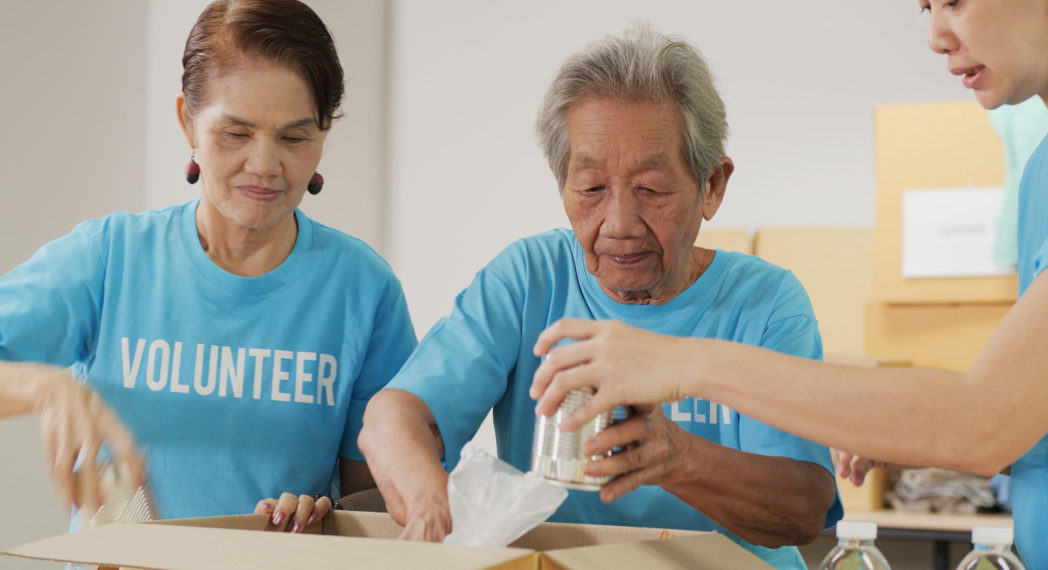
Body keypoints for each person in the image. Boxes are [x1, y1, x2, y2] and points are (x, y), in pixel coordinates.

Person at [530, 1, 1048, 568]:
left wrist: (683, 362)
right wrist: (903, 423)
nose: (935, 36)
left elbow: (987, 422)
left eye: (954, 1)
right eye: (926, 7)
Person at [351, 25, 841, 569]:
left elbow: (803, 510)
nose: (619, 223)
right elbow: (395, 416)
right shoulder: (529, 279)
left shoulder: (766, 303)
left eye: (651, 189)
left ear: (712, 186)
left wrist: (675, 456)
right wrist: (429, 505)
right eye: (590, 189)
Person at [0, 0, 416, 531]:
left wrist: (329, 517)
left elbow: (382, 502)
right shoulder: (110, 258)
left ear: (324, 131)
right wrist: (43, 387)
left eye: (294, 137)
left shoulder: (363, 289)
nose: (264, 165)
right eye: (236, 134)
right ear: (188, 122)